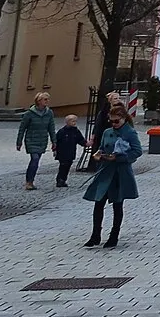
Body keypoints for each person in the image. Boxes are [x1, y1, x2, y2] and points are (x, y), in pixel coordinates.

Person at [82, 99, 141, 249]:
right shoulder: (107, 132)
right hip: (105, 170)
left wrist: (120, 157)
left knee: (117, 204)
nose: (113, 124)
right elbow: (101, 147)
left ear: (123, 119)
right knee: (98, 203)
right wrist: (98, 154)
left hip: (119, 173)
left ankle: (114, 235)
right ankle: (95, 235)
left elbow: (137, 151)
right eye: (111, 121)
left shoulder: (130, 132)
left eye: (116, 121)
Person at [15, 91, 57, 191]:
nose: (47, 101)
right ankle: (29, 181)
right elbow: (22, 128)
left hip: (42, 140)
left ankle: (31, 181)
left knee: (36, 160)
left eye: (48, 99)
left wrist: (54, 141)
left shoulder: (49, 113)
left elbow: (51, 128)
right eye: (45, 99)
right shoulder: (29, 114)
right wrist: (19, 142)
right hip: (31, 139)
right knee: (35, 159)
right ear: (39, 101)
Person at [52, 115, 86, 187]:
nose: (74, 123)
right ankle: (60, 180)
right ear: (67, 122)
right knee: (63, 166)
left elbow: (80, 140)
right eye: (73, 121)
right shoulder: (62, 131)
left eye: (75, 121)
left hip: (71, 152)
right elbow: (56, 141)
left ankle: (63, 180)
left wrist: (86, 143)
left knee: (68, 166)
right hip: (62, 152)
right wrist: (54, 150)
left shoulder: (76, 131)